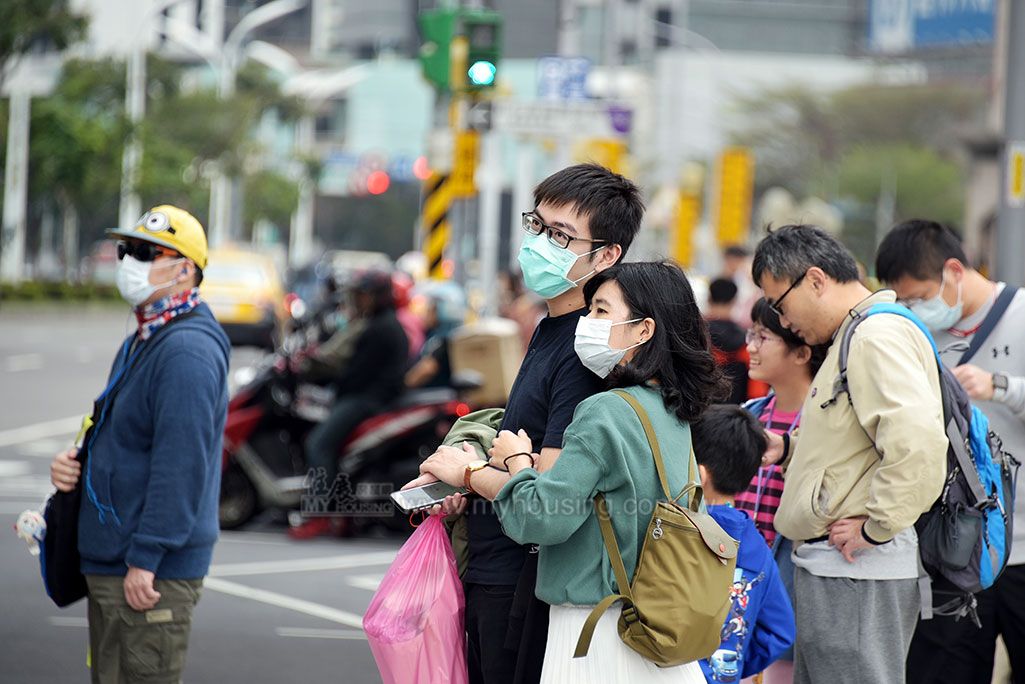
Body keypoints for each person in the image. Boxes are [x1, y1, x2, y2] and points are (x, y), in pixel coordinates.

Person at [417, 261, 727, 682]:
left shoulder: (605, 411)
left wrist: (504, 464)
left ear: (643, 330)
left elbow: (542, 517)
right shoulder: (670, 412)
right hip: (653, 629)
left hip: (594, 634)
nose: (588, 322)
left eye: (601, 310)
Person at [405, 163, 644, 684]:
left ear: (605, 256)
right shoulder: (550, 324)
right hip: (494, 562)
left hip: (520, 581)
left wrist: (470, 474)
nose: (541, 244)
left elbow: (553, 491)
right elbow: (524, 436)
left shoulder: (585, 350)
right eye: (537, 226)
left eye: (562, 235)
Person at [754, 224, 947, 684]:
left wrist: (876, 528)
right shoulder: (856, 334)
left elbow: (916, 443)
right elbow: (857, 441)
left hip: (858, 571)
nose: (782, 321)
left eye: (781, 305)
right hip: (845, 569)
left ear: (816, 280)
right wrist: (788, 450)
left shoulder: (873, 337)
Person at [49, 205, 229, 684]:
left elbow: (181, 465)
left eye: (146, 253)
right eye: (127, 250)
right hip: (117, 561)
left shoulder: (186, 351)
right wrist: (77, 465)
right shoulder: (149, 336)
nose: (129, 261)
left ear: (184, 269)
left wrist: (147, 559)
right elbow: (124, 436)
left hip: (147, 575)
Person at [875, 219, 1025, 684]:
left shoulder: (1021, 313)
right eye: (904, 301)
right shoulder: (918, 336)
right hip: (953, 555)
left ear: (954, 271)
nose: (916, 309)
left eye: (919, 296)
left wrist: (1002, 387)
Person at [733, 298, 827, 684]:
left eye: (763, 336)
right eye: (751, 333)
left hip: (792, 582)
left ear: (802, 351)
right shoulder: (751, 413)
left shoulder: (826, 423)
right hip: (742, 578)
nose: (750, 345)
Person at [291, 269, 409, 539]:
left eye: (364, 295)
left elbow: (356, 374)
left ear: (378, 296)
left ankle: (318, 513)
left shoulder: (380, 328)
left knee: (318, 444)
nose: (360, 301)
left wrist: (328, 382)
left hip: (367, 401)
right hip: (372, 398)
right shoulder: (383, 324)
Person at [692, 404, 795, 684]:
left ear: (699, 474)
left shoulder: (679, 533)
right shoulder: (756, 546)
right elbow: (780, 630)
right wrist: (733, 666)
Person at [405, 281, 467, 389]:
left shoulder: (444, 340)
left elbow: (427, 369)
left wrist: (402, 385)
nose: (428, 311)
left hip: (434, 397)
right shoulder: (436, 335)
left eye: (433, 308)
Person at [706, 277, 753, 404]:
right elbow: (755, 388)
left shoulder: (696, 334)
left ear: (709, 299)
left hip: (699, 411)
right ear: (734, 301)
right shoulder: (746, 340)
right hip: (735, 413)